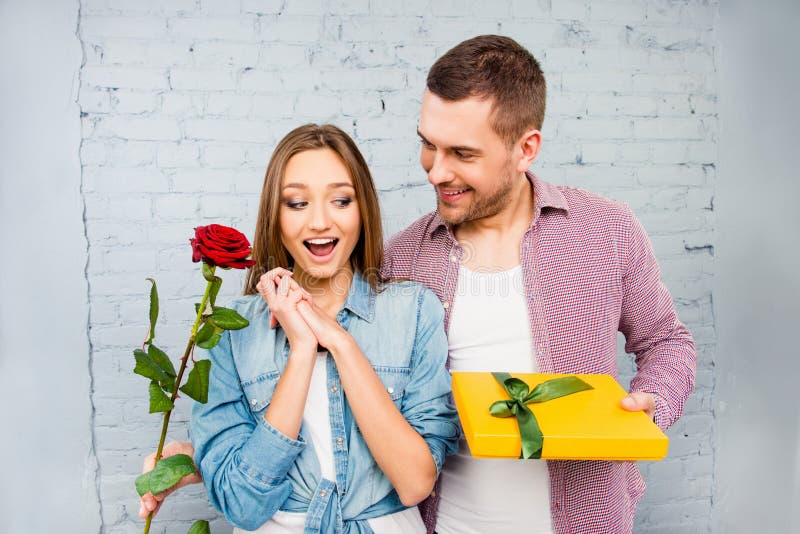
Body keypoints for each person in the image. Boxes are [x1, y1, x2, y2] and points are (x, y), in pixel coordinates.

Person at [142, 35, 696, 534]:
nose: (434, 171)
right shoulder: (402, 260)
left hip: (582, 520)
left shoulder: (607, 231)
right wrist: (200, 457)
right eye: (429, 144)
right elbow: (352, 408)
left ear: (525, 149)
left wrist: (655, 403)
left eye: (462, 154)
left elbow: (667, 343)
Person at [142, 124, 459, 533]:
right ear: (275, 214)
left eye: (341, 200)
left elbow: (415, 483)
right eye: (296, 203)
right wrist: (303, 350)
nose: (320, 222)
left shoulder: (414, 312)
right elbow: (241, 502)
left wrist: (341, 344)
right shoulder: (230, 331)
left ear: (363, 209)